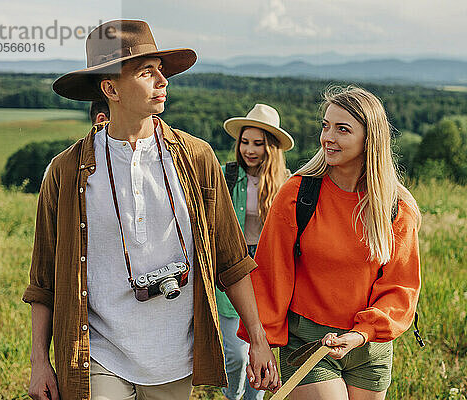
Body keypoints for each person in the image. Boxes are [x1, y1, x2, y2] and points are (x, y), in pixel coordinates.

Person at [23, 19, 278, 400]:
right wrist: (39, 362)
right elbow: (44, 278)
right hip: (98, 353)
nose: (163, 81)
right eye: (147, 72)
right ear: (110, 89)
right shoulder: (66, 171)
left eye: (162, 71)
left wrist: (257, 338)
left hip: (173, 356)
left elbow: (231, 258)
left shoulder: (196, 158)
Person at [238, 86, 422, 400]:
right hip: (308, 341)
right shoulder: (297, 195)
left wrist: (361, 334)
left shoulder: (396, 208)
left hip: (370, 348)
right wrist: (261, 343)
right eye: (326, 126)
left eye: (342, 129)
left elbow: (400, 288)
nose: (328, 137)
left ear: (370, 140)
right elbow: (269, 277)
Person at [215, 104, 293, 400]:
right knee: (235, 352)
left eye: (257, 144)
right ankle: (231, 394)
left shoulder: (286, 183)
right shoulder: (227, 176)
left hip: (267, 270)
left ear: (270, 147)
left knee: (258, 347)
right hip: (233, 267)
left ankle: (253, 397)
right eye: (245, 142)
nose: (249, 150)